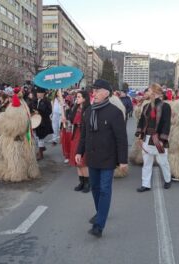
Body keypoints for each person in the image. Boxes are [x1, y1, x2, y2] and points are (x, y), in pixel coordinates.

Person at [76, 79, 128, 238]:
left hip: (108, 158)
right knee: (96, 188)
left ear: (106, 93)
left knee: (105, 190)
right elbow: (84, 134)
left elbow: (121, 138)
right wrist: (79, 151)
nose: (94, 93)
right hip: (92, 158)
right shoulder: (89, 111)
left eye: (97, 91)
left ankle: (99, 225)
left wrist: (123, 160)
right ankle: (101, 212)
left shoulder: (115, 112)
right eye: (94, 90)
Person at [0, 88, 40, 182]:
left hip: (16, 138)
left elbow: (12, 125)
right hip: (23, 138)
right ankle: (28, 172)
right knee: (24, 156)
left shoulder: (14, 107)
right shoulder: (24, 106)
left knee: (15, 156)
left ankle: (18, 173)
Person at [135, 83, 172, 192]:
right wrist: (139, 135)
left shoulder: (165, 106)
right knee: (147, 162)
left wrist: (162, 139)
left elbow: (166, 124)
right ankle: (145, 184)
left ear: (155, 92)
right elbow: (141, 121)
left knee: (163, 161)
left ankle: (167, 180)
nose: (147, 92)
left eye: (149, 90)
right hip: (147, 138)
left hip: (158, 139)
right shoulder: (146, 106)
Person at [69, 90, 91, 193]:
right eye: (76, 97)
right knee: (76, 160)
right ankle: (81, 182)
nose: (77, 98)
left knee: (83, 161)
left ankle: (87, 183)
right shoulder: (76, 108)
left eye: (79, 97)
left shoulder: (89, 109)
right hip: (76, 134)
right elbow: (71, 119)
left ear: (84, 98)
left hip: (83, 135)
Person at [33, 87, 53, 160]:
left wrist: (40, 111)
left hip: (43, 122)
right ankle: (41, 148)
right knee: (36, 136)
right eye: (38, 93)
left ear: (43, 93)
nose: (38, 94)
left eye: (40, 93)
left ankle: (41, 154)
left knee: (40, 137)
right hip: (35, 121)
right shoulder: (35, 100)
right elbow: (31, 107)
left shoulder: (47, 101)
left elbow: (49, 111)